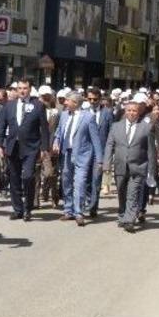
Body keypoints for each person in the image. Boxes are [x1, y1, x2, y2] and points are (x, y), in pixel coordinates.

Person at [0, 80, 52, 221]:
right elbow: (2, 126)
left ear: (30, 89)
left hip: (31, 148)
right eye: (20, 88)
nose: (22, 91)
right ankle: (18, 209)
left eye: (25, 88)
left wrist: (44, 148)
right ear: (16, 90)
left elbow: (44, 129)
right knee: (14, 179)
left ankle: (28, 207)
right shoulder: (9, 106)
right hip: (12, 147)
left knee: (27, 176)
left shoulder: (38, 105)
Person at [102, 93, 156, 232]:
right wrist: (107, 164)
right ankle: (122, 214)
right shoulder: (116, 126)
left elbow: (151, 150)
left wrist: (151, 169)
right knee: (121, 192)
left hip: (138, 166)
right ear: (125, 112)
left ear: (139, 113)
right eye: (129, 110)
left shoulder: (146, 128)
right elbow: (109, 145)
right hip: (120, 165)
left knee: (133, 193)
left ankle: (129, 219)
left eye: (134, 111)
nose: (131, 113)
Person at [54, 92, 100, 226]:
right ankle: (68, 210)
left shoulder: (88, 117)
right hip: (66, 154)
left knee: (79, 184)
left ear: (75, 103)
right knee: (66, 182)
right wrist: (56, 141)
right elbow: (59, 131)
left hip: (82, 155)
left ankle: (79, 212)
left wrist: (100, 160)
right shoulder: (63, 115)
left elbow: (95, 139)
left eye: (68, 101)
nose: (65, 103)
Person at [86, 88, 113, 219]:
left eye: (95, 99)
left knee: (96, 180)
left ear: (100, 99)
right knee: (85, 180)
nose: (92, 102)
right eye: (89, 99)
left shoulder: (107, 113)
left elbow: (111, 134)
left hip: (100, 152)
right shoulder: (84, 113)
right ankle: (86, 202)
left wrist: (109, 153)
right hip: (85, 151)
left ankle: (93, 207)